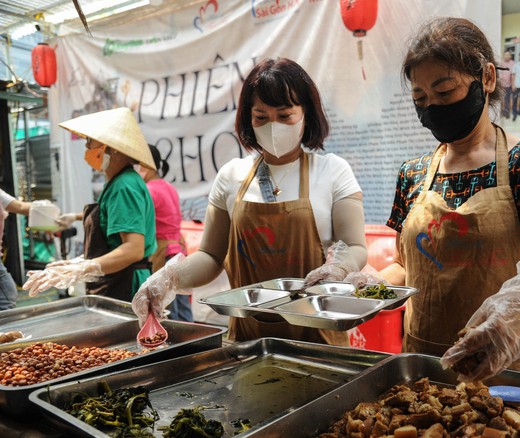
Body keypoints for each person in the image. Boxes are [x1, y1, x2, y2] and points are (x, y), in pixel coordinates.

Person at [380, 17, 520, 383]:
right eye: (421, 98)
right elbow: (406, 266)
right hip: (422, 370)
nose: (432, 107)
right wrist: (355, 288)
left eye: (445, 93)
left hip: (508, 373)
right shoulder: (412, 173)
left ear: (488, 79)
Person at [131, 58, 368, 345]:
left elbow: (353, 245)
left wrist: (339, 267)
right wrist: (168, 278)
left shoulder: (333, 170)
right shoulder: (232, 175)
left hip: (319, 338)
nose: (273, 126)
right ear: (248, 118)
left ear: (306, 113)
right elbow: (211, 256)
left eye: (285, 115)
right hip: (248, 339)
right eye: (261, 117)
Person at [23, 107, 157, 302]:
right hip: (116, 280)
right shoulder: (117, 183)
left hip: (126, 285)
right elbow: (111, 244)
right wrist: (77, 263)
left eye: (90, 142)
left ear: (111, 148)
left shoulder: (124, 185)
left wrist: (84, 268)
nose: (87, 148)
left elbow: (133, 249)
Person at [135, 145, 193, 322]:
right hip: (178, 250)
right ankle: (193, 341)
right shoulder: (168, 186)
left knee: (166, 308)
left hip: (162, 252)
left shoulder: (149, 191)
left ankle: (176, 345)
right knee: (182, 304)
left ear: (146, 165)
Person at [499, 51, 515, 119]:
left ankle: (507, 113)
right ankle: (501, 112)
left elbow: (513, 74)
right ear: (504, 56)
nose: (507, 56)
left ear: (510, 56)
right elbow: (499, 73)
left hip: (509, 85)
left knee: (507, 99)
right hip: (501, 85)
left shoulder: (513, 63)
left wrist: (513, 84)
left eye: (508, 55)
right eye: (506, 55)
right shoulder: (501, 63)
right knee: (501, 99)